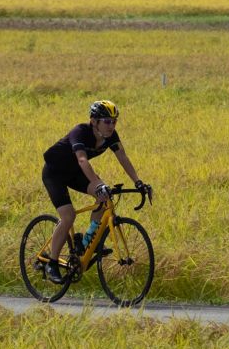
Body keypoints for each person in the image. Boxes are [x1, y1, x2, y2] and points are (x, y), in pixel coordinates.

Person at [41, 99, 151, 284]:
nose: (112, 125)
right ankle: (51, 262)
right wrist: (98, 182)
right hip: (55, 172)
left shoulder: (111, 136)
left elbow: (122, 157)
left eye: (114, 121)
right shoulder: (80, 132)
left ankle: (85, 243)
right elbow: (83, 160)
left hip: (74, 172)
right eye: (107, 121)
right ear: (94, 121)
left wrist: (138, 182)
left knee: (104, 197)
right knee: (68, 216)